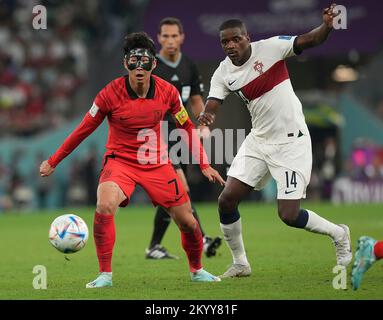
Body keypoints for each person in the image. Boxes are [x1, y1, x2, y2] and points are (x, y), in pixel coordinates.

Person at [40, 32, 225, 288]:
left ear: (154, 64)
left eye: (145, 60)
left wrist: (204, 163)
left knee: (188, 221)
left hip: (157, 162)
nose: (139, 66)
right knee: (104, 205)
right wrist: (54, 160)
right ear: (126, 63)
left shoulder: (168, 92)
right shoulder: (109, 94)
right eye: (134, 60)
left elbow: (187, 128)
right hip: (120, 162)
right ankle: (105, 275)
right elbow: (83, 129)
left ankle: (197, 270)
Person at [198, 3, 352, 278]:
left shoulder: (271, 48)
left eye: (236, 39)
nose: (230, 45)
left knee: (289, 215)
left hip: (291, 142)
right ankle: (241, 263)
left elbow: (311, 39)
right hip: (259, 140)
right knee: (227, 200)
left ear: (247, 37)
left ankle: (339, 233)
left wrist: (327, 25)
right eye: (225, 41)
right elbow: (212, 103)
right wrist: (207, 117)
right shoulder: (223, 72)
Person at [145, 17, 222, 260]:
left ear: (182, 37)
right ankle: (202, 238)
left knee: (172, 192)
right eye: (165, 36)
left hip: (181, 135)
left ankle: (154, 247)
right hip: (156, 135)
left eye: (174, 35)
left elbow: (196, 99)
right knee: (180, 188)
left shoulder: (189, 65)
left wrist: (203, 122)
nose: (169, 40)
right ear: (158, 38)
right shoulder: (150, 66)